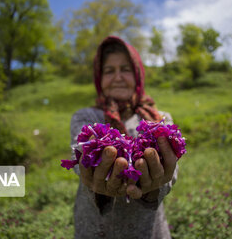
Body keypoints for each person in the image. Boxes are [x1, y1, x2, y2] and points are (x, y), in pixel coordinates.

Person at [70, 36, 180, 239]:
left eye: (126, 69)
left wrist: (156, 184)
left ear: (138, 75)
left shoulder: (160, 120)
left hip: (147, 230)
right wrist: (88, 167)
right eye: (109, 71)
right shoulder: (87, 117)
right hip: (95, 229)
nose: (118, 77)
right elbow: (78, 154)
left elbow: (171, 172)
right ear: (99, 78)